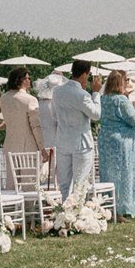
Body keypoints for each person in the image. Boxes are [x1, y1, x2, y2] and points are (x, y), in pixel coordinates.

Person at [98, 69, 135, 217]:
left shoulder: (103, 99)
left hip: (106, 140)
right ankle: (124, 208)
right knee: (125, 174)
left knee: (109, 173)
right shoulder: (121, 99)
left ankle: (108, 207)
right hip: (122, 141)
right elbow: (133, 120)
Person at [50, 61, 102, 200]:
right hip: (81, 144)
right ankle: (76, 215)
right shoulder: (82, 95)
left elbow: (54, 116)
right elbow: (96, 115)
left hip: (62, 142)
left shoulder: (57, 92)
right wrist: (96, 92)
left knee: (64, 185)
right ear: (85, 74)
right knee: (80, 184)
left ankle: (65, 214)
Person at [1, 68, 44, 158]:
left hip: (10, 146)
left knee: (11, 172)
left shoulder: (3, 99)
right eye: (27, 78)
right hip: (28, 149)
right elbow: (36, 126)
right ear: (22, 80)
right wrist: (42, 148)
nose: (29, 80)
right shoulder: (30, 99)